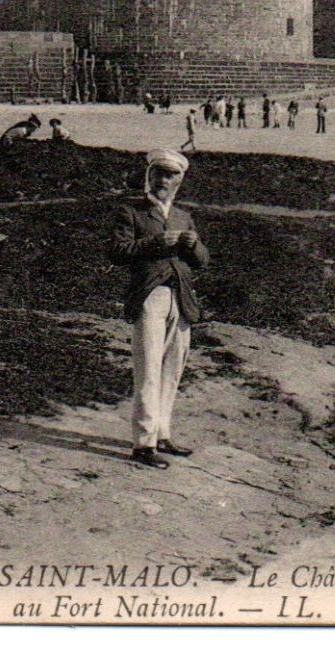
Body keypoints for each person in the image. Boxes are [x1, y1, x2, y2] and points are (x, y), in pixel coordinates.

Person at [108, 150, 210, 469]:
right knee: (149, 367)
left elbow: (203, 261)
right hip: (150, 295)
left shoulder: (182, 216)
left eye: (170, 175)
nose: (163, 181)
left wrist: (193, 244)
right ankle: (143, 442)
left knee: (172, 368)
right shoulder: (131, 211)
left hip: (181, 297)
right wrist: (156, 244)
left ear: (179, 180)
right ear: (149, 176)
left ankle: (162, 432)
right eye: (158, 174)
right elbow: (117, 252)